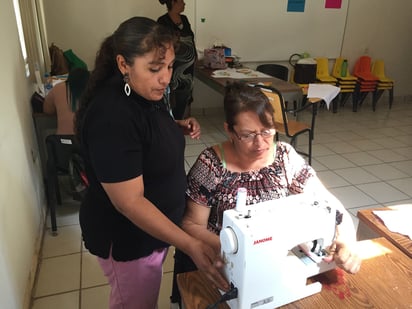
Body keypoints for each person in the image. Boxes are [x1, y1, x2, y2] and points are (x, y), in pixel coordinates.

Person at [74, 16, 228, 309]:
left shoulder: (142, 91)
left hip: (151, 234)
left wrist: (172, 128)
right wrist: (189, 243)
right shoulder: (112, 115)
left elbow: (143, 130)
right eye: (155, 69)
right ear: (123, 64)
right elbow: (129, 202)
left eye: (169, 67)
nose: (166, 78)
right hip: (129, 239)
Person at [171, 82, 362, 304]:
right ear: (229, 130)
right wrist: (236, 250)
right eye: (248, 134)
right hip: (220, 266)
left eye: (267, 131)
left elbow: (327, 202)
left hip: (270, 265)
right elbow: (192, 224)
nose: (260, 143)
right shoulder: (211, 164)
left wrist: (348, 240)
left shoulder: (284, 157)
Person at [157, 0, 197, 120]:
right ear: (173, 2)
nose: (184, 3)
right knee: (173, 96)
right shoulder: (162, 21)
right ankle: (173, 121)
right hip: (173, 69)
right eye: (181, 1)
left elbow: (190, 39)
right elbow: (161, 44)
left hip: (188, 70)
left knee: (186, 94)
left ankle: (183, 121)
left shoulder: (184, 19)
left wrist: (194, 55)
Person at [43, 67, 90, 134]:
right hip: (86, 140)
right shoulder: (93, 90)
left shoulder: (58, 88)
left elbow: (47, 110)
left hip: (63, 141)